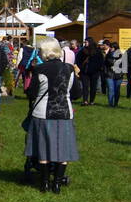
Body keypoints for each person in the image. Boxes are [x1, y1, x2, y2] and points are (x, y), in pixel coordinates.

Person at [24, 37, 79, 192]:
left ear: (45, 52)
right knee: (63, 149)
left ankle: (45, 183)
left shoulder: (40, 69)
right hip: (64, 113)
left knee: (43, 148)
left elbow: (31, 92)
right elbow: (77, 93)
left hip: (42, 113)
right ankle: (57, 183)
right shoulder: (69, 69)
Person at [78, 38, 103, 106]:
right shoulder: (82, 51)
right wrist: (81, 68)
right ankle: (85, 100)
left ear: (90, 42)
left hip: (94, 72)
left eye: (86, 42)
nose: (85, 43)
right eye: (85, 42)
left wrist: (97, 69)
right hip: (84, 72)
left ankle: (92, 100)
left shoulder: (97, 51)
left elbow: (100, 61)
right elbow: (78, 60)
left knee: (93, 87)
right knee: (85, 86)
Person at [100, 40, 123, 107]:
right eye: (111, 47)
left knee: (117, 90)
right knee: (111, 89)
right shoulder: (108, 55)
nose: (111, 48)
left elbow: (124, 66)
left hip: (118, 75)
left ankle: (115, 103)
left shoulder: (121, 55)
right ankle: (110, 104)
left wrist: (122, 73)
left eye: (112, 47)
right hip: (109, 74)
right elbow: (105, 64)